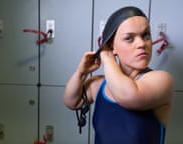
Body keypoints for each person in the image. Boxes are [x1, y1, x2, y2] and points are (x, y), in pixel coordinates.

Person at [63, 6, 173, 144]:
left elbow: (130, 96)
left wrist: (107, 57)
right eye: (129, 38)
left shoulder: (161, 80)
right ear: (111, 46)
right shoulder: (99, 85)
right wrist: (81, 73)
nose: (141, 44)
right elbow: (71, 101)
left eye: (146, 35)